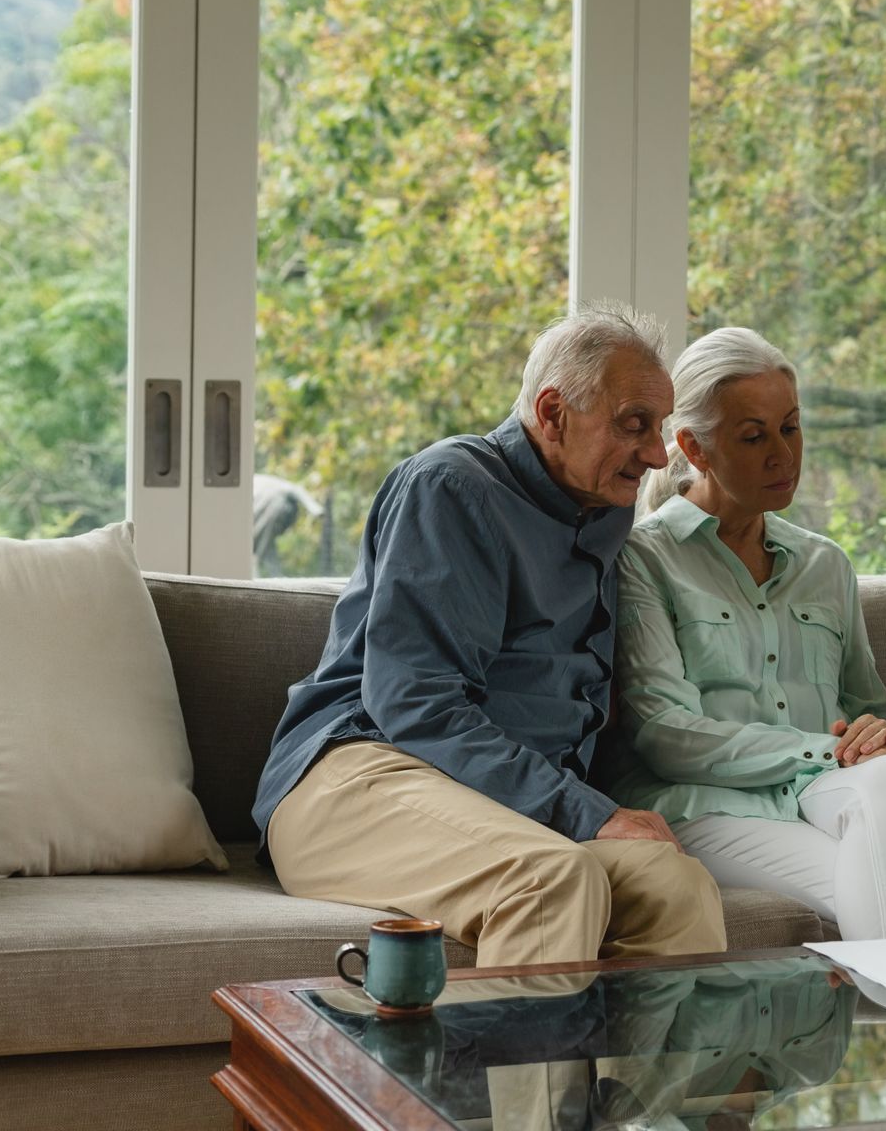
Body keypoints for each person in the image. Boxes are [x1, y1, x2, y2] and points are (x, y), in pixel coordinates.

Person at [253, 304, 727, 969]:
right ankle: (514, 1078)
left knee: (676, 886)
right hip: (359, 776)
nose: (655, 453)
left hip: (493, 800)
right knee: (551, 879)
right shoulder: (452, 486)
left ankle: (637, 1079)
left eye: (660, 428)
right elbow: (415, 703)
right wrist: (586, 812)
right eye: (634, 425)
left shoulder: (604, 508)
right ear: (554, 413)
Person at [604, 327, 886, 939]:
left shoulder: (826, 564)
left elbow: (864, 707)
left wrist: (876, 739)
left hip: (825, 793)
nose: (783, 455)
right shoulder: (644, 558)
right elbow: (666, 736)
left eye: (791, 428)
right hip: (707, 807)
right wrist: (822, 751)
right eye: (754, 436)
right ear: (695, 446)